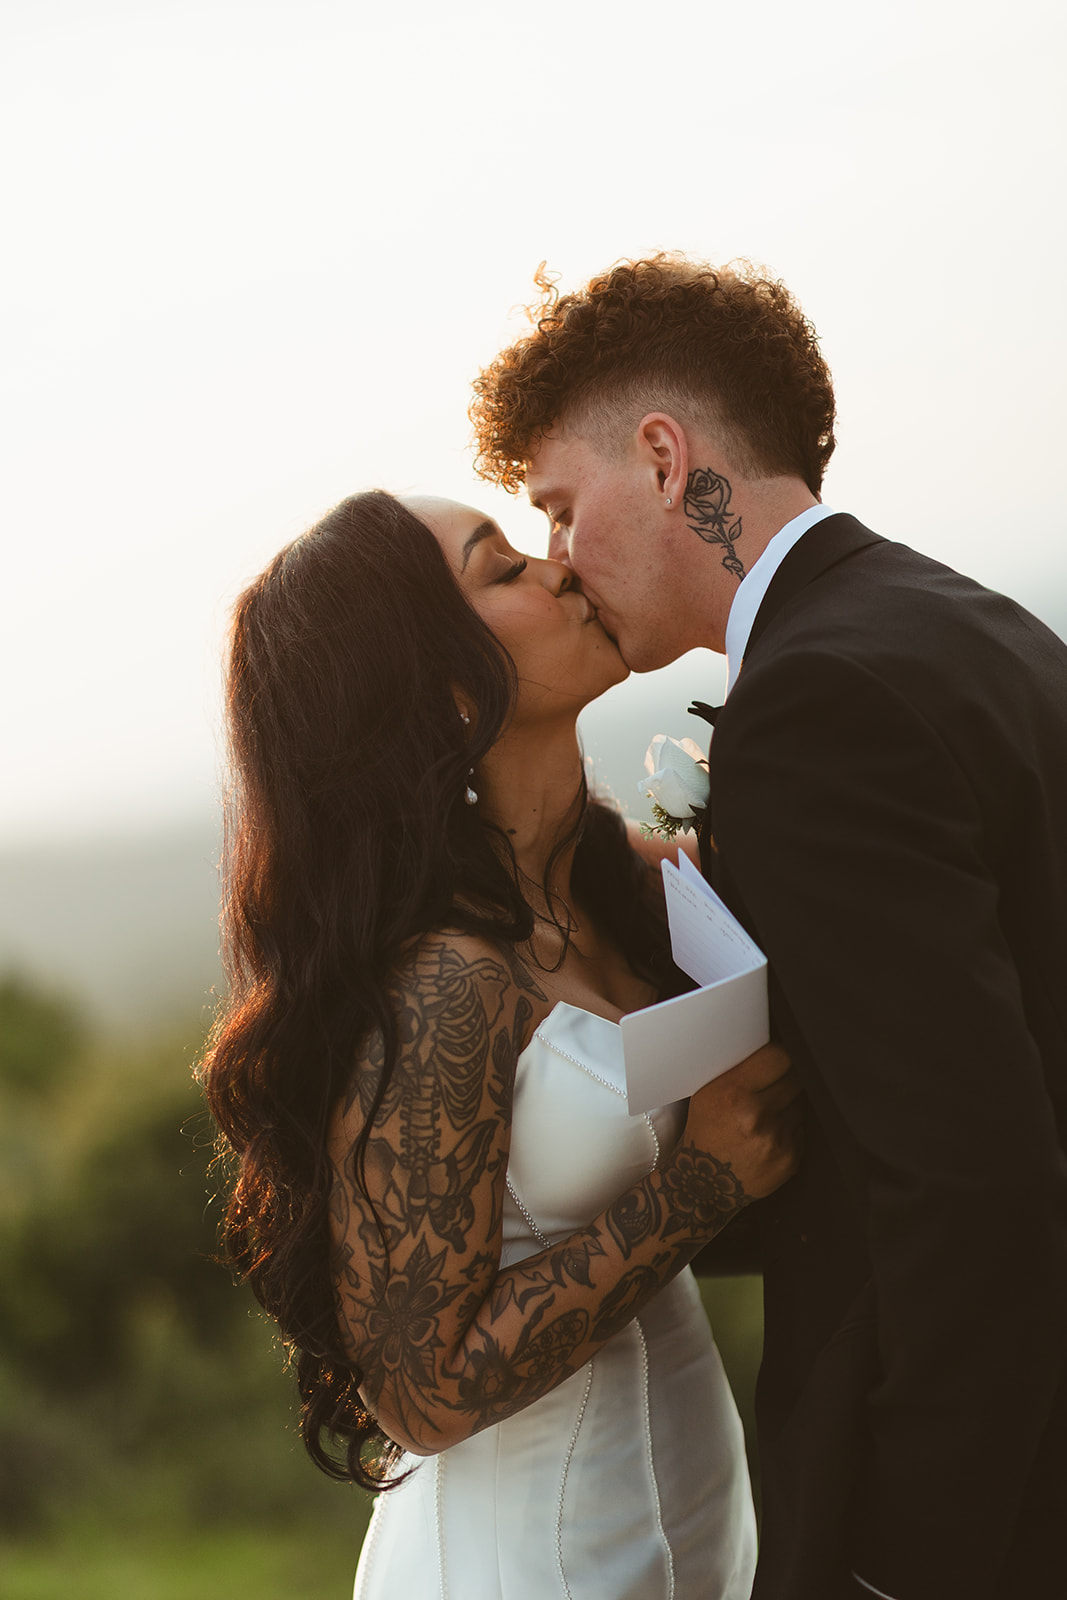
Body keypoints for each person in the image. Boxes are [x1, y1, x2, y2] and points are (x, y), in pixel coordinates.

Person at [469, 255, 1067, 1600]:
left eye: (560, 510)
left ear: (666, 457)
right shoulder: (968, 628)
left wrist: (908, 1559)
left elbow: (969, 1181)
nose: (559, 559)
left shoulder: (810, 713)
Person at [199, 488, 802, 1599]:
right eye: (500, 566)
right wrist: (699, 1181)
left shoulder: (615, 890)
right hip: (533, 1562)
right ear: (438, 681)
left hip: (687, 1533)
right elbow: (419, 1393)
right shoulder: (443, 976)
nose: (558, 566)